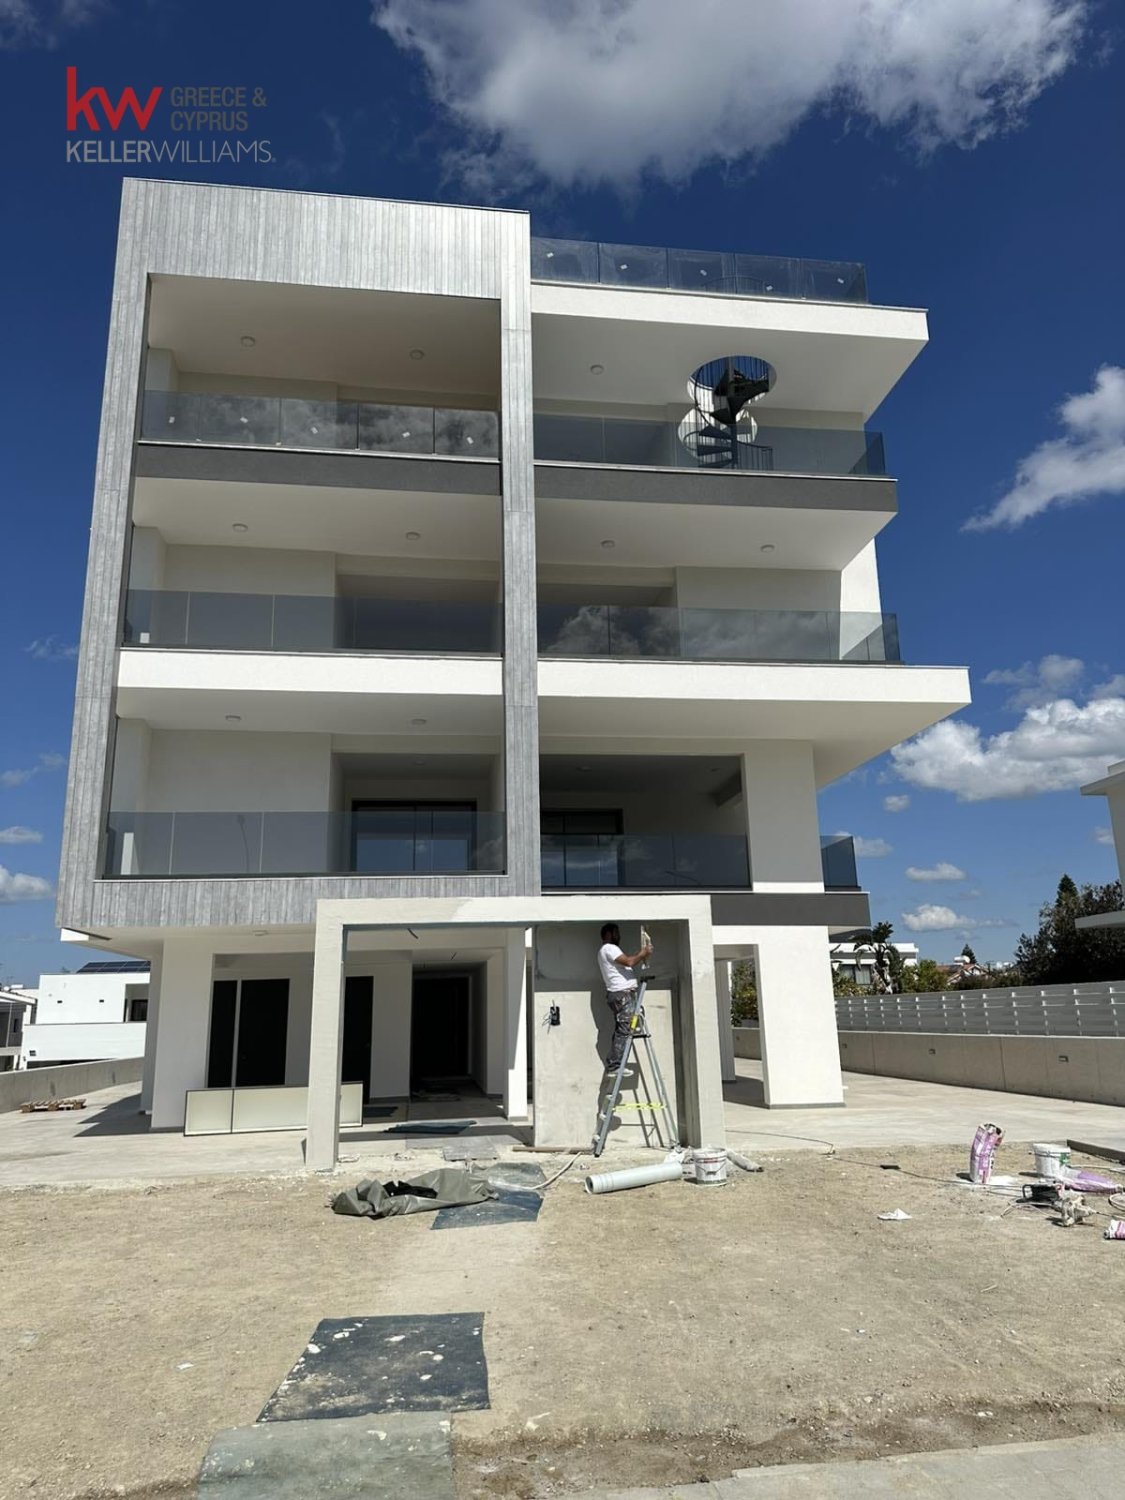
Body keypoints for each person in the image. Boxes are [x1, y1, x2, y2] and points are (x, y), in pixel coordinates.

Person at [597, 922, 653, 1072]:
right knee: (624, 1030)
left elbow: (627, 962)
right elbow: (629, 961)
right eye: (616, 933)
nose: (619, 936)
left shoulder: (606, 950)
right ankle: (615, 1065)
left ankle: (615, 1064)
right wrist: (643, 953)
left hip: (621, 994)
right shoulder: (609, 948)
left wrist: (640, 955)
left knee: (624, 1027)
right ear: (608, 934)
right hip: (622, 994)